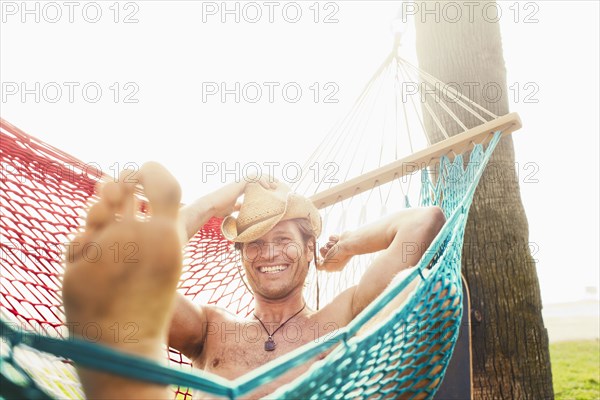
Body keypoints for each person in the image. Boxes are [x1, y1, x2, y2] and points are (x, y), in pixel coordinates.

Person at [62, 162, 445, 399]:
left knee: (409, 286)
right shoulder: (211, 328)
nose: (268, 254)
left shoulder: (341, 317)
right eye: (255, 244)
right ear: (242, 256)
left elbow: (424, 222)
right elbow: (123, 284)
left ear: (309, 249)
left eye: (283, 240)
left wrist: (345, 247)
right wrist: (209, 207)